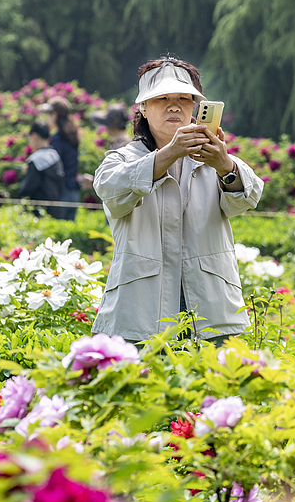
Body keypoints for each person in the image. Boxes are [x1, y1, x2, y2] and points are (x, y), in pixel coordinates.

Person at [92, 58, 264, 343]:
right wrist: (169, 154)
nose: (174, 106)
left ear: (195, 107)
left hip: (211, 310)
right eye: (162, 98)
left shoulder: (211, 156)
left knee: (214, 386)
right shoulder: (123, 159)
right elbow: (111, 191)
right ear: (143, 108)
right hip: (140, 315)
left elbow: (248, 198)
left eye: (184, 98)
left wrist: (225, 165)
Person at [39, 96, 81, 221]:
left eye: (47, 114)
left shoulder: (57, 139)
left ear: (54, 115)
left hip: (61, 193)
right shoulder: (72, 136)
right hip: (73, 192)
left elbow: (53, 168)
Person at [15, 122, 64, 219]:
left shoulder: (36, 160)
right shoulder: (55, 156)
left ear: (34, 136)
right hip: (56, 211)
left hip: (38, 213)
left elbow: (27, 188)